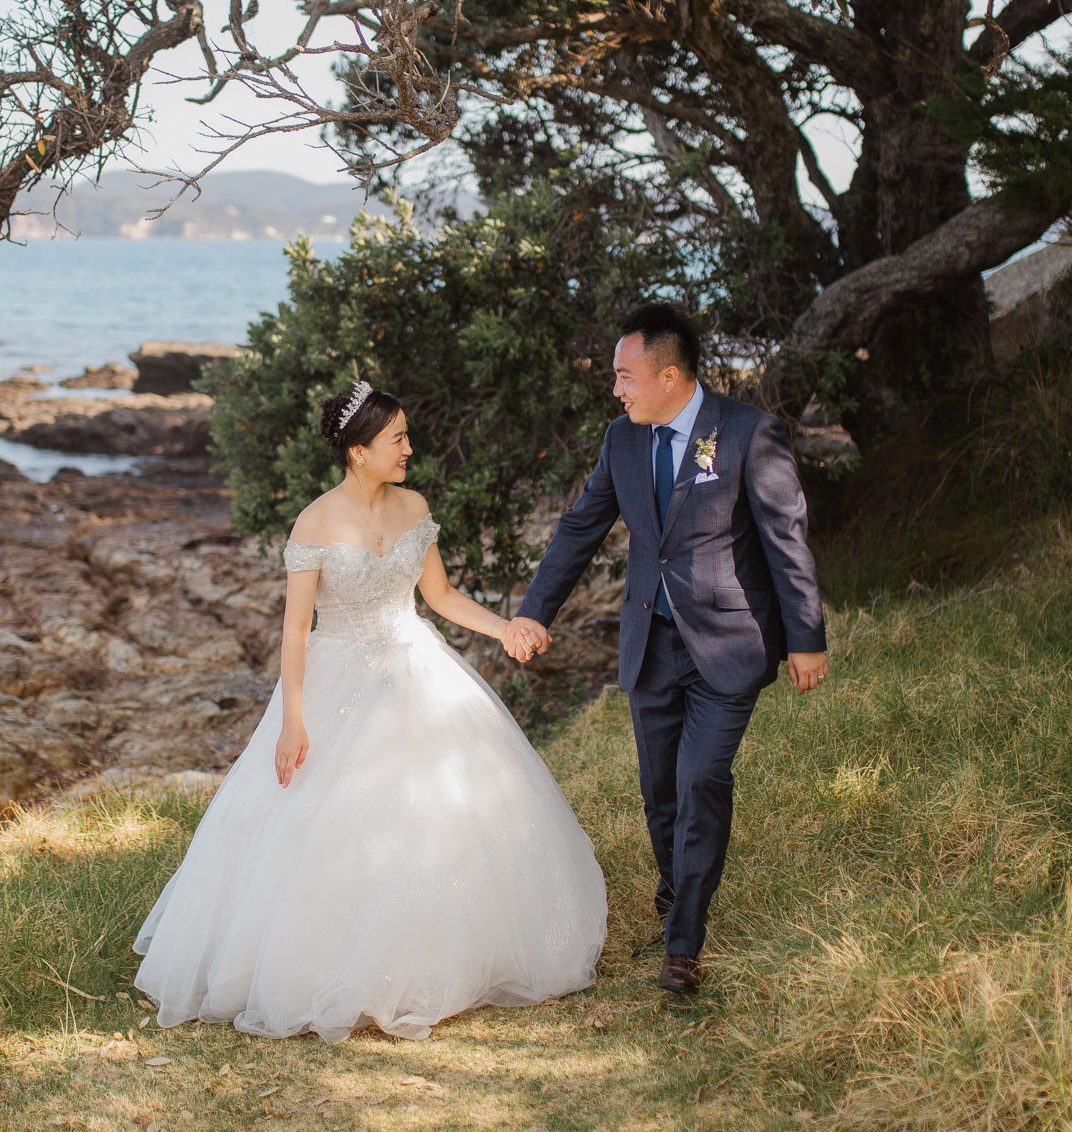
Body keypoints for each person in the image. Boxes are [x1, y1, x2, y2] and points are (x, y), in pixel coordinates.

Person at [133, 381, 607, 1042]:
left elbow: (438, 594)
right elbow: (296, 629)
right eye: (397, 439)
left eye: (407, 436)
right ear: (359, 451)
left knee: (444, 807)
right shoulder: (315, 521)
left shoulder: (415, 505)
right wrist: (294, 718)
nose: (410, 448)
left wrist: (503, 628)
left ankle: (443, 954)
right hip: (338, 675)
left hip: (417, 662)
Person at [504, 302, 828, 995]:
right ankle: (676, 889)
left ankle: (683, 943)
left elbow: (786, 541)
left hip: (730, 648)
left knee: (700, 781)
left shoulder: (747, 433)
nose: (616, 390)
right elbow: (579, 528)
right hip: (648, 645)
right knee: (659, 793)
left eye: (625, 376)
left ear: (670, 375)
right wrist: (534, 612)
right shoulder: (622, 441)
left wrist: (805, 638)